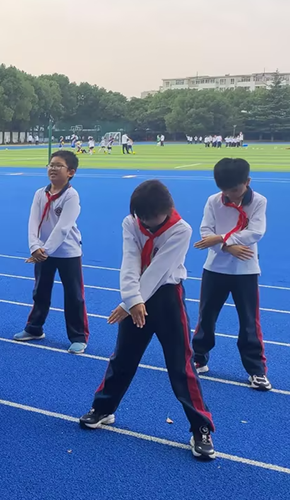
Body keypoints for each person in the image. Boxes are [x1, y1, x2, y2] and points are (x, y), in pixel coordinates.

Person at [79, 179, 216, 461]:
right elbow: (130, 261)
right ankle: (103, 408)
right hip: (135, 298)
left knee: (180, 365)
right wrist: (131, 301)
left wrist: (129, 303)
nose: (145, 223)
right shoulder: (131, 223)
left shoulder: (181, 230)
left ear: (168, 209)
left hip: (167, 298)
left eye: (151, 217)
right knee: (123, 358)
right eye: (141, 216)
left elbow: (159, 270)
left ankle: (201, 427)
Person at [192, 158, 270, 390]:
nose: (229, 194)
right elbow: (205, 231)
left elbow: (256, 232)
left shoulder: (258, 201)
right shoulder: (213, 201)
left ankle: (256, 370)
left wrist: (221, 238)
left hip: (246, 270)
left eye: (234, 190)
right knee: (206, 316)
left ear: (247, 182)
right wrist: (226, 246)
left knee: (249, 321)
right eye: (224, 189)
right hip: (215, 268)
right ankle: (199, 358)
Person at [16, 150, 88, 353]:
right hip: (42, 251)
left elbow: (63, 228)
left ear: (71, 172)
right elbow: (33, 221)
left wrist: (44, 250)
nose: (53, 168)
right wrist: (34, 246)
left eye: (58, 165)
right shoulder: (40, 193)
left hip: (67, 253)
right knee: (40, 292)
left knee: (74, 295)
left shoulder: (71, 196)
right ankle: (34, 328)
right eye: (51, 165)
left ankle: (78, 336)